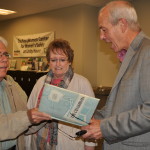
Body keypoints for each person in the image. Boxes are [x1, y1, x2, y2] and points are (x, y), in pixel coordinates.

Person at [81, 1, 150, 150]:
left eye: (104, 30)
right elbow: (118, 108)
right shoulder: (129, 56)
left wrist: (105, 128)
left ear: (122, 24)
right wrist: (91, 118)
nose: (101, 36)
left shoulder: (147, 52)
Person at [25, 39, 96, 150]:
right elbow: (29, 111)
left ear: (70, 61)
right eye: (53, 60)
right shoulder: (40, 82)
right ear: (48, 61)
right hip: (40, 142)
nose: (58, 64)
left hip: (69, 143)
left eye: (62, 60)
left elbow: (90, 122)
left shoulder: (82, 83)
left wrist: (89, 146)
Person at [0, 36, 51, 150]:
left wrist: (43, 115)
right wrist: (28, 117)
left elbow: (24, 125)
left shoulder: (13, 86)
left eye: (6, 55)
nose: (4, 59)